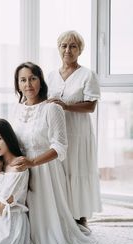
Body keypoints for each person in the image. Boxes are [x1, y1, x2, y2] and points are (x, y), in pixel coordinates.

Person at [11, 61, 96, 244]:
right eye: (22, 80)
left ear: (41, 80)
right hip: (23, 172)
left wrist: (32, 162)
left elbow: (59, 147)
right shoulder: (17, 109)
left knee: (49, 229)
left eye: (33, 78)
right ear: (17, 84)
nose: (28, 84)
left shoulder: (52, 108)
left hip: (46, 172)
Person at [47, 30, 102, 227]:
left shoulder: (87, 75)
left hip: (79, 133)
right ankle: (62, 214)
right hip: (57, 133)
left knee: (77, 170)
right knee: (60, 171)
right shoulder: (51, 75)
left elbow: (91, 106)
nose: (67, 50)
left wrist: (66, 106)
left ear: (80, 50)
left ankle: (80, 217)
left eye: (73, 46)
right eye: (64, 46)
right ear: (58, 48)